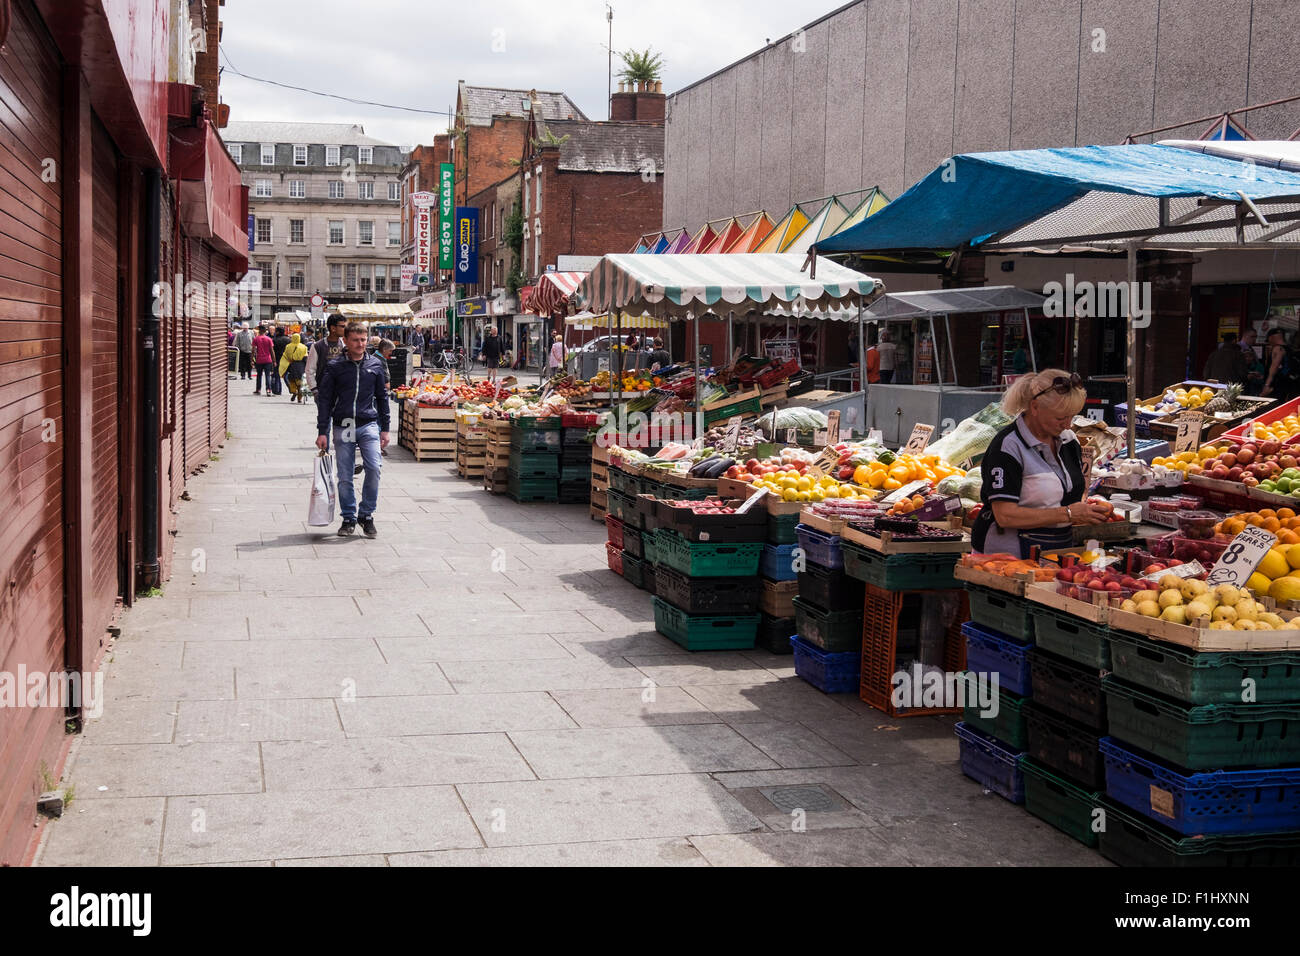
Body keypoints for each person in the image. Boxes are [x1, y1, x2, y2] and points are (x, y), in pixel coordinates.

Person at [971, 369, 1110, 557]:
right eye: (1060, 417)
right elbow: (1005, 515)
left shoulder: (1069, 440)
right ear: (1035, 407)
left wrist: (1086, 511)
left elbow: (1073, 492)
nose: (1068, 425)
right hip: (1006, 558)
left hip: (1056, 551)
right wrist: (1068, 514)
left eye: (1072, 416)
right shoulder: (1008, 447)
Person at [315, 322, 390, 538]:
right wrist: (323, 431)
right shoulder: (335, 366)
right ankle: (348, 517)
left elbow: (382, 398)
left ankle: (366, 514)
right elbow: (326, 400)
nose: (360, 344)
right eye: (355, 340)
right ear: (345, 341)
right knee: (345, 475)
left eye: (363, 340)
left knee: (374, 467)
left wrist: (386, 429)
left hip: (368, 424)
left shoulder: (375, 365)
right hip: (343, 424)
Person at [304, 314, 348, 398]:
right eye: (342, 326)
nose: (345, 329)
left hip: (342, 392)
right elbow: (309, 370)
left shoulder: (345, 344)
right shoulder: (318, 346)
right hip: (323, 392)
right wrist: (314, 390)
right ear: (333, 328)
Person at [1261, 328, 1297, 400]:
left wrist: (1266, 385)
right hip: (1289, 385)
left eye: (1268, 340)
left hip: (1277, 386)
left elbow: (1274, 368)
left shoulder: (1277, 348)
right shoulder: (1290, 349)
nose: (1269, 343)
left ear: (1271, 338)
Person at [278, 332, 310, 403]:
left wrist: (284, 366)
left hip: (291, 365)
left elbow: (285, 356)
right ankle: (299, 398)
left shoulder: (288, 346)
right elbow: (306, 358)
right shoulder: (304, 347)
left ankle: (294, 391)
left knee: (292, 380)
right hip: (300, 366)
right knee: (300, 382)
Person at [252, 325, 275, 394]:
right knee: (267, 375)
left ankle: (258, 389)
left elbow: (253, 350)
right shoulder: (269, 339)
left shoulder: (256, 339)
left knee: (259, 375)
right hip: (268, 359)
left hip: (259, 359)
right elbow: (272, 351)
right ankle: (268, 390)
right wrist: (274, 361)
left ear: (259, 331)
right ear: (265, 331)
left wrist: (252, 359)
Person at [271, 325, 291, 395]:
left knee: (277, 375)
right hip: (286, 359)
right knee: (286, 375)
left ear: (278, 332)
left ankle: (278, 390)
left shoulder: (274, 340)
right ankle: (291, 388)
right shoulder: (288, 340)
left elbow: (272, 350)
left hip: (277, 359)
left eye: (276, 331)